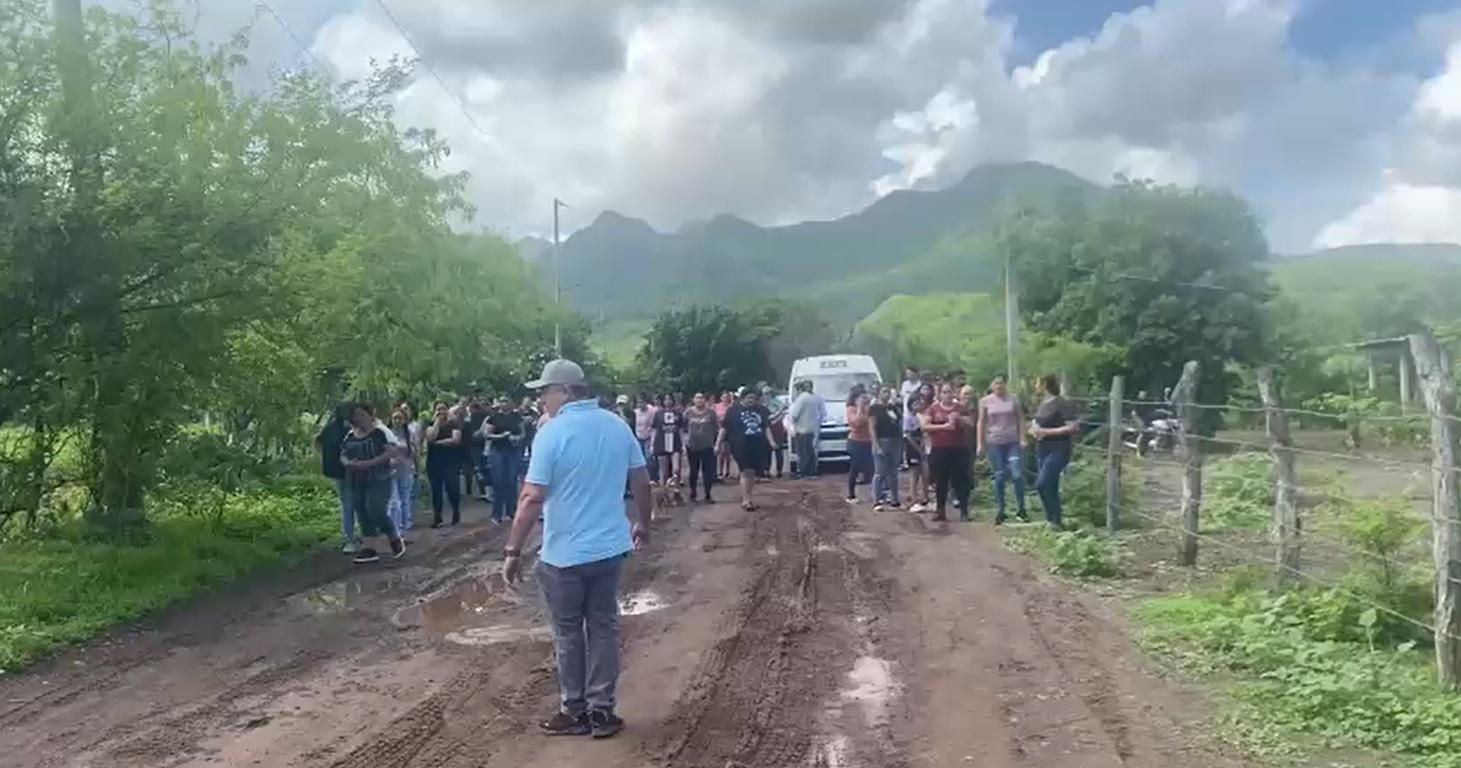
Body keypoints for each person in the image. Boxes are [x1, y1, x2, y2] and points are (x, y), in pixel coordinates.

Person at [502, 359, 652, 740]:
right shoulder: (617, 425)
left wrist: (513, 551)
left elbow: (532, 497)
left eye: (545, 391)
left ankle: (575, 709)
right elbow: (641, 479)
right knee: (603, 627)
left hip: (564, 554)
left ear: (565, 392)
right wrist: (642, 523)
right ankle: (602, 711)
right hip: (609, 549)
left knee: (569, 633)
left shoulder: (552, 434)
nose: (541, 399)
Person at [340, 403, 405, 564]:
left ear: (370, 416)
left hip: (379, 477)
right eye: (355, 415)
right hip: (356, 479)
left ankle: (394, 537)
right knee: (361, 510)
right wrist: (348, 463)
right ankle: (369, 547)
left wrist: (370, 462)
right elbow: (343, 453)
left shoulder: (380, 432)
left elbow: (392, 451)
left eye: (362, 414)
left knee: (375, 510)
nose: (358, 418)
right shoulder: (350, 435)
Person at [1031, 373, 1080, 530]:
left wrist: (1047, 432)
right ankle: (1054, 520)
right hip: (1042, 448)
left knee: (1042, 483)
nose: (1036, 386)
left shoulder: (1061, 403)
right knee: (1050, 485)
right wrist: (1033, 430)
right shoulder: (1042, 403)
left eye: (1038, 383)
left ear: (1045, 384)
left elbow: (1073, 427)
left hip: (1059, 448)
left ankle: (1053, 519)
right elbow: (1037, 422)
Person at [978, 375, 1029, 525]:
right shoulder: (985, 401)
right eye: (996, 383)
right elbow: (981, 422)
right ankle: (1001, 510)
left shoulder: (1013, 399)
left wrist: (1023, 438)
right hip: (995, 442)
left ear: (1005, 385)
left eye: (1001, 383)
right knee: (999, 477)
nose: (999, 386)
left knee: (1017, 475)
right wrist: (980, 444)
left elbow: (1021, 418)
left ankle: (1021, 508)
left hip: (1012, 442)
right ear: (992, 385)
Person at [921, 383, 974, 522]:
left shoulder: (960, 408)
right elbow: (925, 426)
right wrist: (943, 426)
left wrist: (959, 419)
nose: (947, 395)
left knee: (961, 481)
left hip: (958, 448)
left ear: (954, 393)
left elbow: (971, 423)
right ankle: (940, 511)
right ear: (940, 394)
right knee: (940, 481)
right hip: (939, 448)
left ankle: (964, 511)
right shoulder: (933, 409)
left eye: (949, 392)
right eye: (944, 392)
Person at [718, 387, 774, 511]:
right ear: (743, 398)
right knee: (745, 471)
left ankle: (748, 497)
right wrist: (718, 444)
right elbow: (724, 428)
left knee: (752, 473)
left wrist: (772, 442)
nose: (752, 401)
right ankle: (745, 500)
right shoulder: (733, 411)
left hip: (757, 444)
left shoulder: (761, 410)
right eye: (749, 398)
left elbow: (766, 427)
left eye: (754, 398)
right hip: (740, 445)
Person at [315, 404, 359, 553]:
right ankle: (350, 538)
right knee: (349, 505)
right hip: (347, 472)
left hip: (339, 471)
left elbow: (318, 443)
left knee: (348, 505)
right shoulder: (350, 429)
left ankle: (351, 537)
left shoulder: (330, 429)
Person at [484, 396, 526, 523]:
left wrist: (516, 438)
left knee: (512, 481)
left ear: (511, 403)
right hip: (498, 451)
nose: (504, 403)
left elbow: (522, 433)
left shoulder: (516, 416)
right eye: (501, 401)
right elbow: (486, 434)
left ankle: (511, 511)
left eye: (506, 401)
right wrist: (500, 436)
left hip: (513, 451)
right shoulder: (494, 417)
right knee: (498, 480)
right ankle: (496, 513)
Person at [425, 402, 464, 527]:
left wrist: (438, 443)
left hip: (451, 461)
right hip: (434, 461)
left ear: (448, 410)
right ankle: (437, 516)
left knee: (452, 487)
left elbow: (455, 440)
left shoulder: (453, 424)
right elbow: (430, 437)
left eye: (443, 409)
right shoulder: (430, 425)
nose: (441, 411)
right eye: (438, 409)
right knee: (436, 490)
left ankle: (455, 511)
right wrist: (437, 422)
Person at [870, 387, 903, 510]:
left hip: (895, 440)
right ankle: (877, 499)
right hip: (882, 440)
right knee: (880, 472)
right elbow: (872, 427)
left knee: (893, 472)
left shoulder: (892, 408)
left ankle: (894, 498)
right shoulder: (874, 409)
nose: (886, 394)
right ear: (878, 394)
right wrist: (876, 444)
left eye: (888, 392)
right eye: (884, 392)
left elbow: (899, 422)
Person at [387, 409, 418, 537]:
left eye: (400, 418)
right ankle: (395, 529)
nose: (397, 421)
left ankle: (404, 528)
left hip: (405, 470)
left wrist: (415, 468)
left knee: (405, 498)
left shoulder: (409, 434)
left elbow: (415, 451)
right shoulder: (387, 434)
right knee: (394, 501)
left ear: (405, 420)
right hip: (390, 470)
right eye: (395, 418)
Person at [684, 393, 719, 503]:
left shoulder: (711, 413)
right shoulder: (688, 412)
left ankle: (707, 494)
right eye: (697, 398)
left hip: (707, 446)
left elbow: (717, 427)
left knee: (707, 471)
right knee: (693, 471)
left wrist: (717, 444)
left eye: (701, 398)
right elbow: (682, 427)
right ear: (693, 400)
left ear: (705, 400)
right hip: (692, 446)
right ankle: (693, 492)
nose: (699, 400)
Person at [787, 380, 826, 478]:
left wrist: (791, 425)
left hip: (801, 428)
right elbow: (822, 414)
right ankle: (812, 471)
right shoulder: (817, 398)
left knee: (802, 452)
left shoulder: (802, 398)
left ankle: (803, 472)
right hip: (813, 428)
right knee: (811, 451)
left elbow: (794, 415)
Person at [845, 390, 874, 503]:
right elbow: (856, 422)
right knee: (855, 468)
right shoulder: (851, 409)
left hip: (868, 441)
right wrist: (860, 408)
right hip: (855, 441)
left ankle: (875, 493)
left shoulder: (870, 409)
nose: (864, 399)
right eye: (862, 397)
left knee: (872, 468)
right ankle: (851, 495)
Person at [903, 394, 930, 512]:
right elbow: (909, 436)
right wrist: (918, 448)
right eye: (915, 404)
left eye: (919, 403)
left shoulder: (921, 417)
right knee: (914, 473)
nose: (918, 406)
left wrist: (923, 445)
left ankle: (926, 497)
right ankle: (913, 498)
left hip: (921, 445)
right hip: (912, 447)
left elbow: (924, 433)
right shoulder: (908, 418)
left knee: (925, 472)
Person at [651, 394, 684, 485]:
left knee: (676, 469)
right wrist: (652, 445)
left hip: (675, 443)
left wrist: (683, 444)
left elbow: (680, 429)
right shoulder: (658, 414)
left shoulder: (677, 413)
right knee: (663, 472)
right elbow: (654, 430)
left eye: (670, 399)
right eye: (665, 399)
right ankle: (663, 492)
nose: (668, 401)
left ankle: (676, 489)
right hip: (661, 443)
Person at [464, 399, 490, 502]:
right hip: (484, 445)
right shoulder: (486, 416)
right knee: (484, 469)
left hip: (475, 446)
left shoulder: (471, 418)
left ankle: (484, 492)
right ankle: (488, 491)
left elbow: (472, 434)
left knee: (479, 469)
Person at [764, 386, 788, 479]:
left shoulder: (777, 402)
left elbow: (782, 413)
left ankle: (779, 470)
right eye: (765, 393)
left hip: (777, 428)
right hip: (768, 428)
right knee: (767, 451)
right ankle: (767, 470)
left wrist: (776, 420)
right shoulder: (763, 404)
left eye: (768, 393)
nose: (767, 395)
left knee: (778, 450)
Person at [634, 396, 658, 483]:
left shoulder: (652, 411)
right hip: (639, 437)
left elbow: (654, 425)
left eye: (642, 402)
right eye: (639, 403)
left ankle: (653, 477)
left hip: (648, 436)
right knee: (640, 458)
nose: (640, 404)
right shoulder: (636, 412)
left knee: (649, 458)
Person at [714, 391, 735, 480]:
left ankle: (727, 471)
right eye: (724, 397)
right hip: (719, 430)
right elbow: (714, 417)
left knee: (727, 453)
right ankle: (720, 471)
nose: (725, 399)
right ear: (721, 398)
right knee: (721, 452)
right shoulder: (716, 406)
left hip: (729, 432)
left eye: (727, 397)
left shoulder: (731, 407)